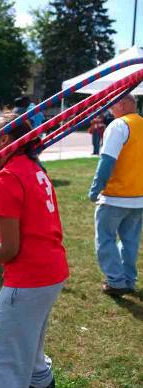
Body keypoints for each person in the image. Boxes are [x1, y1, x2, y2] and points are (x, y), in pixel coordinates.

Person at [0, 113, 69, 388]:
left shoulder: (6, 178)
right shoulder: (34, 168)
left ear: (5, 139)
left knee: (0, 356)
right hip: (52, 271)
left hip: (29, 278)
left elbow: (10, 248)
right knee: (30, 351)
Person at [88, 94, 143, 297]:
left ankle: (116, 281)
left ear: (122, 103)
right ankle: (128, 278)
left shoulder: (118, 125)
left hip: (115, 195)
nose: (109, 108)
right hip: (139, 197)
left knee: (105, 239)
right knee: (130, 240)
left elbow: (107, 161)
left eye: (112, 104)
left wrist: (95, 190)